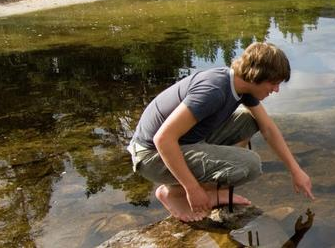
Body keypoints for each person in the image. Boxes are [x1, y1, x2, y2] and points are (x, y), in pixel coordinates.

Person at [127, 42, 314, 222]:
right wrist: (192, 189)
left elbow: (268, 129)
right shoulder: (213, 90)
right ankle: (175, 194)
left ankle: (210, 189)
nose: (276, 90)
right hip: (150, 157)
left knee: (248, 121)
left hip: (184, 142)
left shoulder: (241, 86)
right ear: (256, 76)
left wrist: (295, 170)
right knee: (250, 164)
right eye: (273, 83)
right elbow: (163, 139)